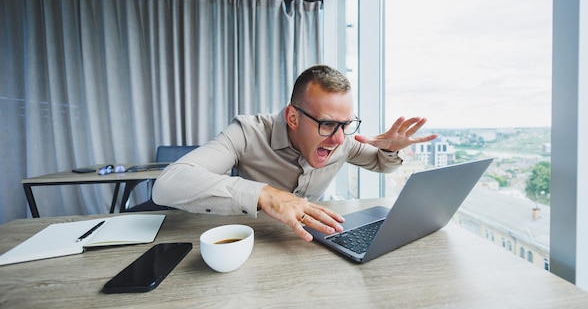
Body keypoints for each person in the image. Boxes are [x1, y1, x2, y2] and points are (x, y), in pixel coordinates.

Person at [152, 65, 438, 241]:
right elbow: (167, 184)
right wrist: (265, 194)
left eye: (346, 124)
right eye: (327, 124)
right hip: (251, 242)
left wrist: (389, 151)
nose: (339, 138)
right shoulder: (247, 132)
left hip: (310, 245)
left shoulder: (342, 141)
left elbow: (381, 164)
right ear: (292, 118)